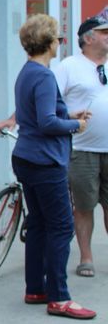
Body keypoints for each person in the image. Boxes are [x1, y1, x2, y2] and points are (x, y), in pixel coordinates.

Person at [11, 14, 95, 319]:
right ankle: (59, 297)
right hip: (45, 161)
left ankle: (35, 288)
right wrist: (75, 125)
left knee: (38, 223)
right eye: (57, 38)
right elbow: (47, 123)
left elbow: (35, 115)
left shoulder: (27, 72)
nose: (60, 42)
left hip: (26, 157)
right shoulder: (45, 76)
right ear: (48, 43)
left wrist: (68, 114)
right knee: (61, 226)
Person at [53, 16, 108, 278]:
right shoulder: (69, 66)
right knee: (84, 206)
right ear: (88, 38)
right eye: (104, 32)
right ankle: (86, 257)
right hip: (81, 149)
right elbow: (50, 101)